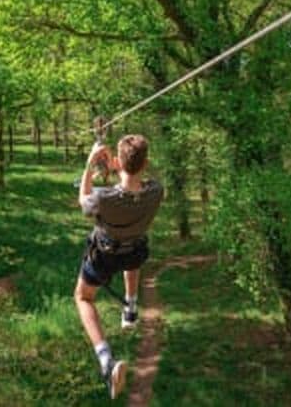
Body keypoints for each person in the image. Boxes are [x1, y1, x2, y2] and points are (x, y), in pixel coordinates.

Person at [74, 134, 164, 400]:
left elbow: (83, 200)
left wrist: (91, 163)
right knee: (132, 254)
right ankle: (131, 306)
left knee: (82, 298)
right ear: (145, 163)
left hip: (105, 255)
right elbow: (143, 178)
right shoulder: (156, 191)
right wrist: (123, 167)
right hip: (134, 251)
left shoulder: (103, 198)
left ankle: (105, 359)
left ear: (119, 162)